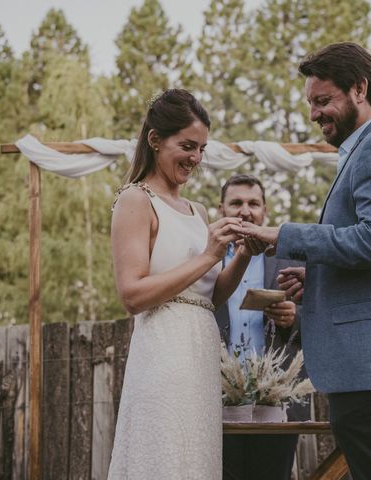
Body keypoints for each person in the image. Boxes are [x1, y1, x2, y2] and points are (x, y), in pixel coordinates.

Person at [233, 42, 371, 480]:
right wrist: (316, 276)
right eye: (311, 103)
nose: (314, 114)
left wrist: (286, 236)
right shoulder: (367, 151)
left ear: (359, 89)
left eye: (322, 100)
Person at [108, 89, 260, 479]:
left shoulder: (199, 211)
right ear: (155, 140)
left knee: (196, 460)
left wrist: (243, 252)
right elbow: (132, 294)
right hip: (163, 351)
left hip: (200, 350)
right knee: (165, 457)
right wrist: (209, 255)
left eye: (202, 149)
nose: (195, 158)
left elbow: (211, 295)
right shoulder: (135, 200)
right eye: (187, 146)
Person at [215, 174, 309, 480]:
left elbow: (321, 317)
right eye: (236, 203)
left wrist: (293, 318)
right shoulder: (205, 259)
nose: (245, 210)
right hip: (217, 402)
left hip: (276, 401)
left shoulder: (290, 258)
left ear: (264, 211)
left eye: (253, 203)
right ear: (221, 209)